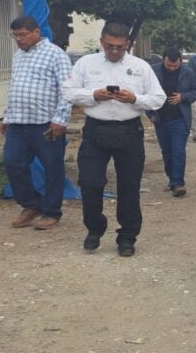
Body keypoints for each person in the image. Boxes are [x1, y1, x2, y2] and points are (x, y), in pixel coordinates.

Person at [63, 21, 166, 256]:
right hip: (95, 130)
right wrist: (93, 95)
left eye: (120, 47)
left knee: (129, 186)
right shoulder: (86, 64)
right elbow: (67, 91)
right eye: (110, 47)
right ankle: (94, 228)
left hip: (129, 130)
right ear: (102, 42)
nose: (115, 52)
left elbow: (158, 98)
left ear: (127, 44)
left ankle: (127, 237)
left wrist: (134, 99)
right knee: (89, 183)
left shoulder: (140, 67)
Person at [1, 15, 73, 231]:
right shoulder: (18, 56)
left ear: (36, 32)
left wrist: (60, 120)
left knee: (53, 168)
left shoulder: (56, 55)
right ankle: (31, 205)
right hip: (18, 123)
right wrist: (7, 116)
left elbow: (67, 90)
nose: (19, 40)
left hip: (46, 125)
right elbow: (16, 87)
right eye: (15, 36)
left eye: (23, 35)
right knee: (12, 163)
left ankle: (52, 212)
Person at [148, 48, 196, 197]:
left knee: (178, 151)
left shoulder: (187, 72)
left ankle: (178, 183)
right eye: (169, 66)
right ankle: (172, 179)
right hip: (160, 119)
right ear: (163, 60)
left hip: (180, 118)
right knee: (167, 152)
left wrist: (183, 97)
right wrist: (150, 114)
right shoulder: (152, 71)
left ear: (180, 61)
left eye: (175, 66)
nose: (172, 69)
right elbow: (145, 92)